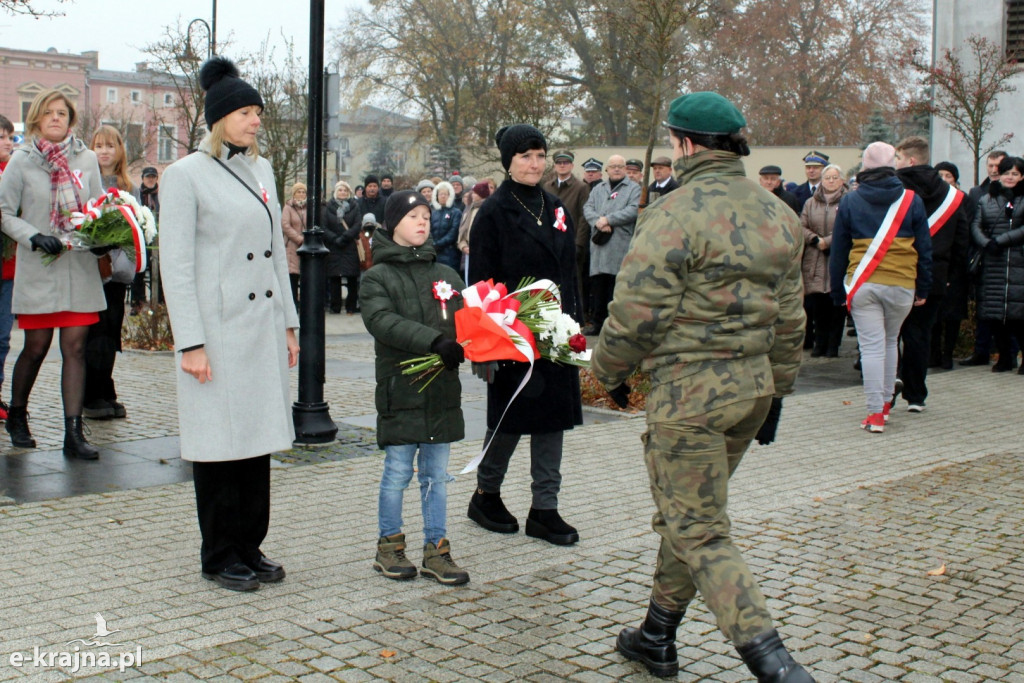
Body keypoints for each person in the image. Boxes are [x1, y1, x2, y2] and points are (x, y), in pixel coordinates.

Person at [590, 91, 812, 682]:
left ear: (684, 144)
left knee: (701, 530)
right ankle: (656, 635)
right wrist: (778, 396)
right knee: (690, 517)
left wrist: (604, 375)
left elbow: (636, 313)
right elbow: (791, 321)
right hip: (751, 391)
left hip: (689, 397)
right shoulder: (778, 213)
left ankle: (778, 667)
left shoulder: (674, 212)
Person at [159, 56, 300, 591]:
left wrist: (288, 324)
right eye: (245, 112)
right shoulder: (185, 175)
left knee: (256, 439)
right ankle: (219, 553)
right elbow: (175, 265)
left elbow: (271, 255)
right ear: (220, 118)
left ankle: (250, 544)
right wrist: (190, 342)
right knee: (220, 443)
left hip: (260, 325)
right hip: (215, 331)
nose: (255, 120)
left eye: (258, 112)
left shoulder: (262, 169)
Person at [466, 123, 583, 547]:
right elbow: (479, 283)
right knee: (511, 416)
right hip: (512, 333)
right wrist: (483, 347)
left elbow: (570, 271)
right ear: (509, 163)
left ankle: (545, 508)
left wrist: (575, 325)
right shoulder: (494, 212)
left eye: (539, 155)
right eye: (525, 156)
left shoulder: (556, 207)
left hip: (556, 331)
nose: (535, 164)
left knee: (554, 418)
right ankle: (486, 494)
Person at [360, 190, 470, 585]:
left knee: (436, 476)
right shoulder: (377, 276)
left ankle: (436, 550)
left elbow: (469, 318)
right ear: (394, 225)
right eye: (413, 217)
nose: (423, 223)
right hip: (401, 390)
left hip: (441, 392)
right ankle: (389, 545)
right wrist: (433, 342)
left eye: (426, 216)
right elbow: (382, 321)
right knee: (397, 473)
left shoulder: (447, 275)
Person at [0, 89, 105, 459]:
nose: (56, 118)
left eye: (62, 112)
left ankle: (73, 435)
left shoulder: (87, 159)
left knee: (75, 347)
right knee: (36, 347)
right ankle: (17, 414)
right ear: (36, 120)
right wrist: (33, 237)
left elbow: (96, 208)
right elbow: (4, 211)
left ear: (71, 118)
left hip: (78, 266)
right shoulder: (21, 161)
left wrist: (105, 235)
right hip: (39, 268)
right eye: (49, 113)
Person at [830, 141, 932, 432]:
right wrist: (923, 288)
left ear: (865, 166)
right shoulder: (912, 200)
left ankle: (875, 413)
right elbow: (924, 249)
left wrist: (838, 292)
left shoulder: (850, 200)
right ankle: (886, 406)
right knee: (890, 343)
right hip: (901, 283)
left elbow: (839, 250)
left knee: (871, 347)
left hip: (863, 284)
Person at [893, 136, 969, 409]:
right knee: (920, 335)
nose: (896, 163)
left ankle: (888, 387)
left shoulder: (894, 189)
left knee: (891, 334)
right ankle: (916, 395)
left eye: (898, 158)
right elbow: (962, 241)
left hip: (896, 270)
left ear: (911, 160)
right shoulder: (953, 195)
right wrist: (950, 275)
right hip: (935, 273)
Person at [82, 125, 138, 422]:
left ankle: (106, 387)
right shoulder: (86, 181)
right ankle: (92, 394)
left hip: (120, 268)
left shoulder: (130, 187)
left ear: (120, 151)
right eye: (99, 145)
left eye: (110, 146)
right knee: (97, 330)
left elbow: (140, 225)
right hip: (94, 267)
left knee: (113, 330)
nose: (104, 151)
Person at [970, 155, 1024, 372]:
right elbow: (976, 225)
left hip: (1018, 263)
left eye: (1015, 173)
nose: (1010, 177)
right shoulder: (987, 199)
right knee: (995, 316)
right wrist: (986, 243)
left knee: (1018, 316)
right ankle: (1004, 357)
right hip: (993, 263)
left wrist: (1001, 241)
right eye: (1006, 173)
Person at [962, 149, 1010, 367]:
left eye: (997, 166)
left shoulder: (1015, 195)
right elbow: (972, 224)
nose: (993, 170)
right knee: (984, 307)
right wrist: (981, 245)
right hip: (984, 257)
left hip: (1007, 257)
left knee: (1007, 309)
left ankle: (1006, 353)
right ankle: (981, 351)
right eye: (990, 165)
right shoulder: (976, 193)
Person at [583, 154, 640, 336]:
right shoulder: (598, 189)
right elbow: (587, 208)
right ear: (606, 169)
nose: (616, 169)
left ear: (625, 169)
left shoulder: (634, 189)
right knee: (599, 287)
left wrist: (609, 219)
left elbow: (632, 210)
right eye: (613, 166)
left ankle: (615, 326)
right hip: (599, 245)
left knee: (616, 288)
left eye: (620, 166)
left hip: (620, 244)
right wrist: (598, 222)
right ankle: (597, 323)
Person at [801, 163, 848, 357]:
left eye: (834, 178)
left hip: (837, 257)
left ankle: (833, 345)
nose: (830, 181)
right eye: (827, 178)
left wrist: (828, 242)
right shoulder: (811, 203)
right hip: (815, 258)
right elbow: (801, 225)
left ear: (841, 181)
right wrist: (814, 239)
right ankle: (819, 343)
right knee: (818, 305)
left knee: (836, 305)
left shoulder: (848, 201)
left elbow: (847, 228)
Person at [543, 150, 591, 317]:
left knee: (573, 282)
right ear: (555, 165)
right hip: (550, 242)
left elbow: (584, 217)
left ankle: (576, 317)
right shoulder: (547, 187)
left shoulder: (581, 187)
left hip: (571, 242)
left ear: (571, 165)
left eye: (565, 162)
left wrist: (579, 244)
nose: (562, 165)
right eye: (559, 163)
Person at [323, 180, 362, 314]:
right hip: (334, 246)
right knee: (334, 278)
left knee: (351, 278)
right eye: (340, 190)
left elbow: (357, 224)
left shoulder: (354, 206)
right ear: (335, 192)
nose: (343, 192)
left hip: (349, 245)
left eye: (345, 190)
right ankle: (335, 307)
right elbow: (324, 226)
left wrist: (345, 237)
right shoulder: (329, 207)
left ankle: (351, 307)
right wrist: (334, 238)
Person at [0, 113, 17, 421]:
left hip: (9, 269)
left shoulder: (14, 172)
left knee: (2, 336)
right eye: (1, 137)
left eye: (9, 137)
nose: (7, 143)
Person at [132, 166, 160, 315]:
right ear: (142, 178)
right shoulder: (137, 195)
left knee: (160, 270)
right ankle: (138, 303)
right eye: (148, 177)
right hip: (140, 239)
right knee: (138, 270)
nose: (150, 179)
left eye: (153, 177)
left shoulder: (161, 195)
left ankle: (160, 303)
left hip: (158, 240)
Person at [456, 181, 490, 281]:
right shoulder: (469, 209)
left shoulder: (489, 209)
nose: (473, 195)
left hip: (484, 252)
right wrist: (463, 246)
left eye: (475, 193)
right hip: (469, 252)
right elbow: (462, 230)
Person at [281, 182, 306, 306]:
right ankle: (293, 304)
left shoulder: (309, 207)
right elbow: (285, 225)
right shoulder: (288, 207)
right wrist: (299, 239)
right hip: (292, 246)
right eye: (298, 192)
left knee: (305, 275)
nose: (301, 194)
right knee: (293, 276)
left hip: (307, 246)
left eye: (303, 192)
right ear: (294, 194)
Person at [429, 180, 462, 271]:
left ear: (450, 196)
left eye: (445, 194)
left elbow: (453, 233)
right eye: (440, 194)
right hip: (434, 253)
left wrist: (438, 244)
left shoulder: (456, 213)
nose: (443, 196)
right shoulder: (433, 213)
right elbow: (429, 230)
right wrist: (432, 244)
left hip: (450, 253)